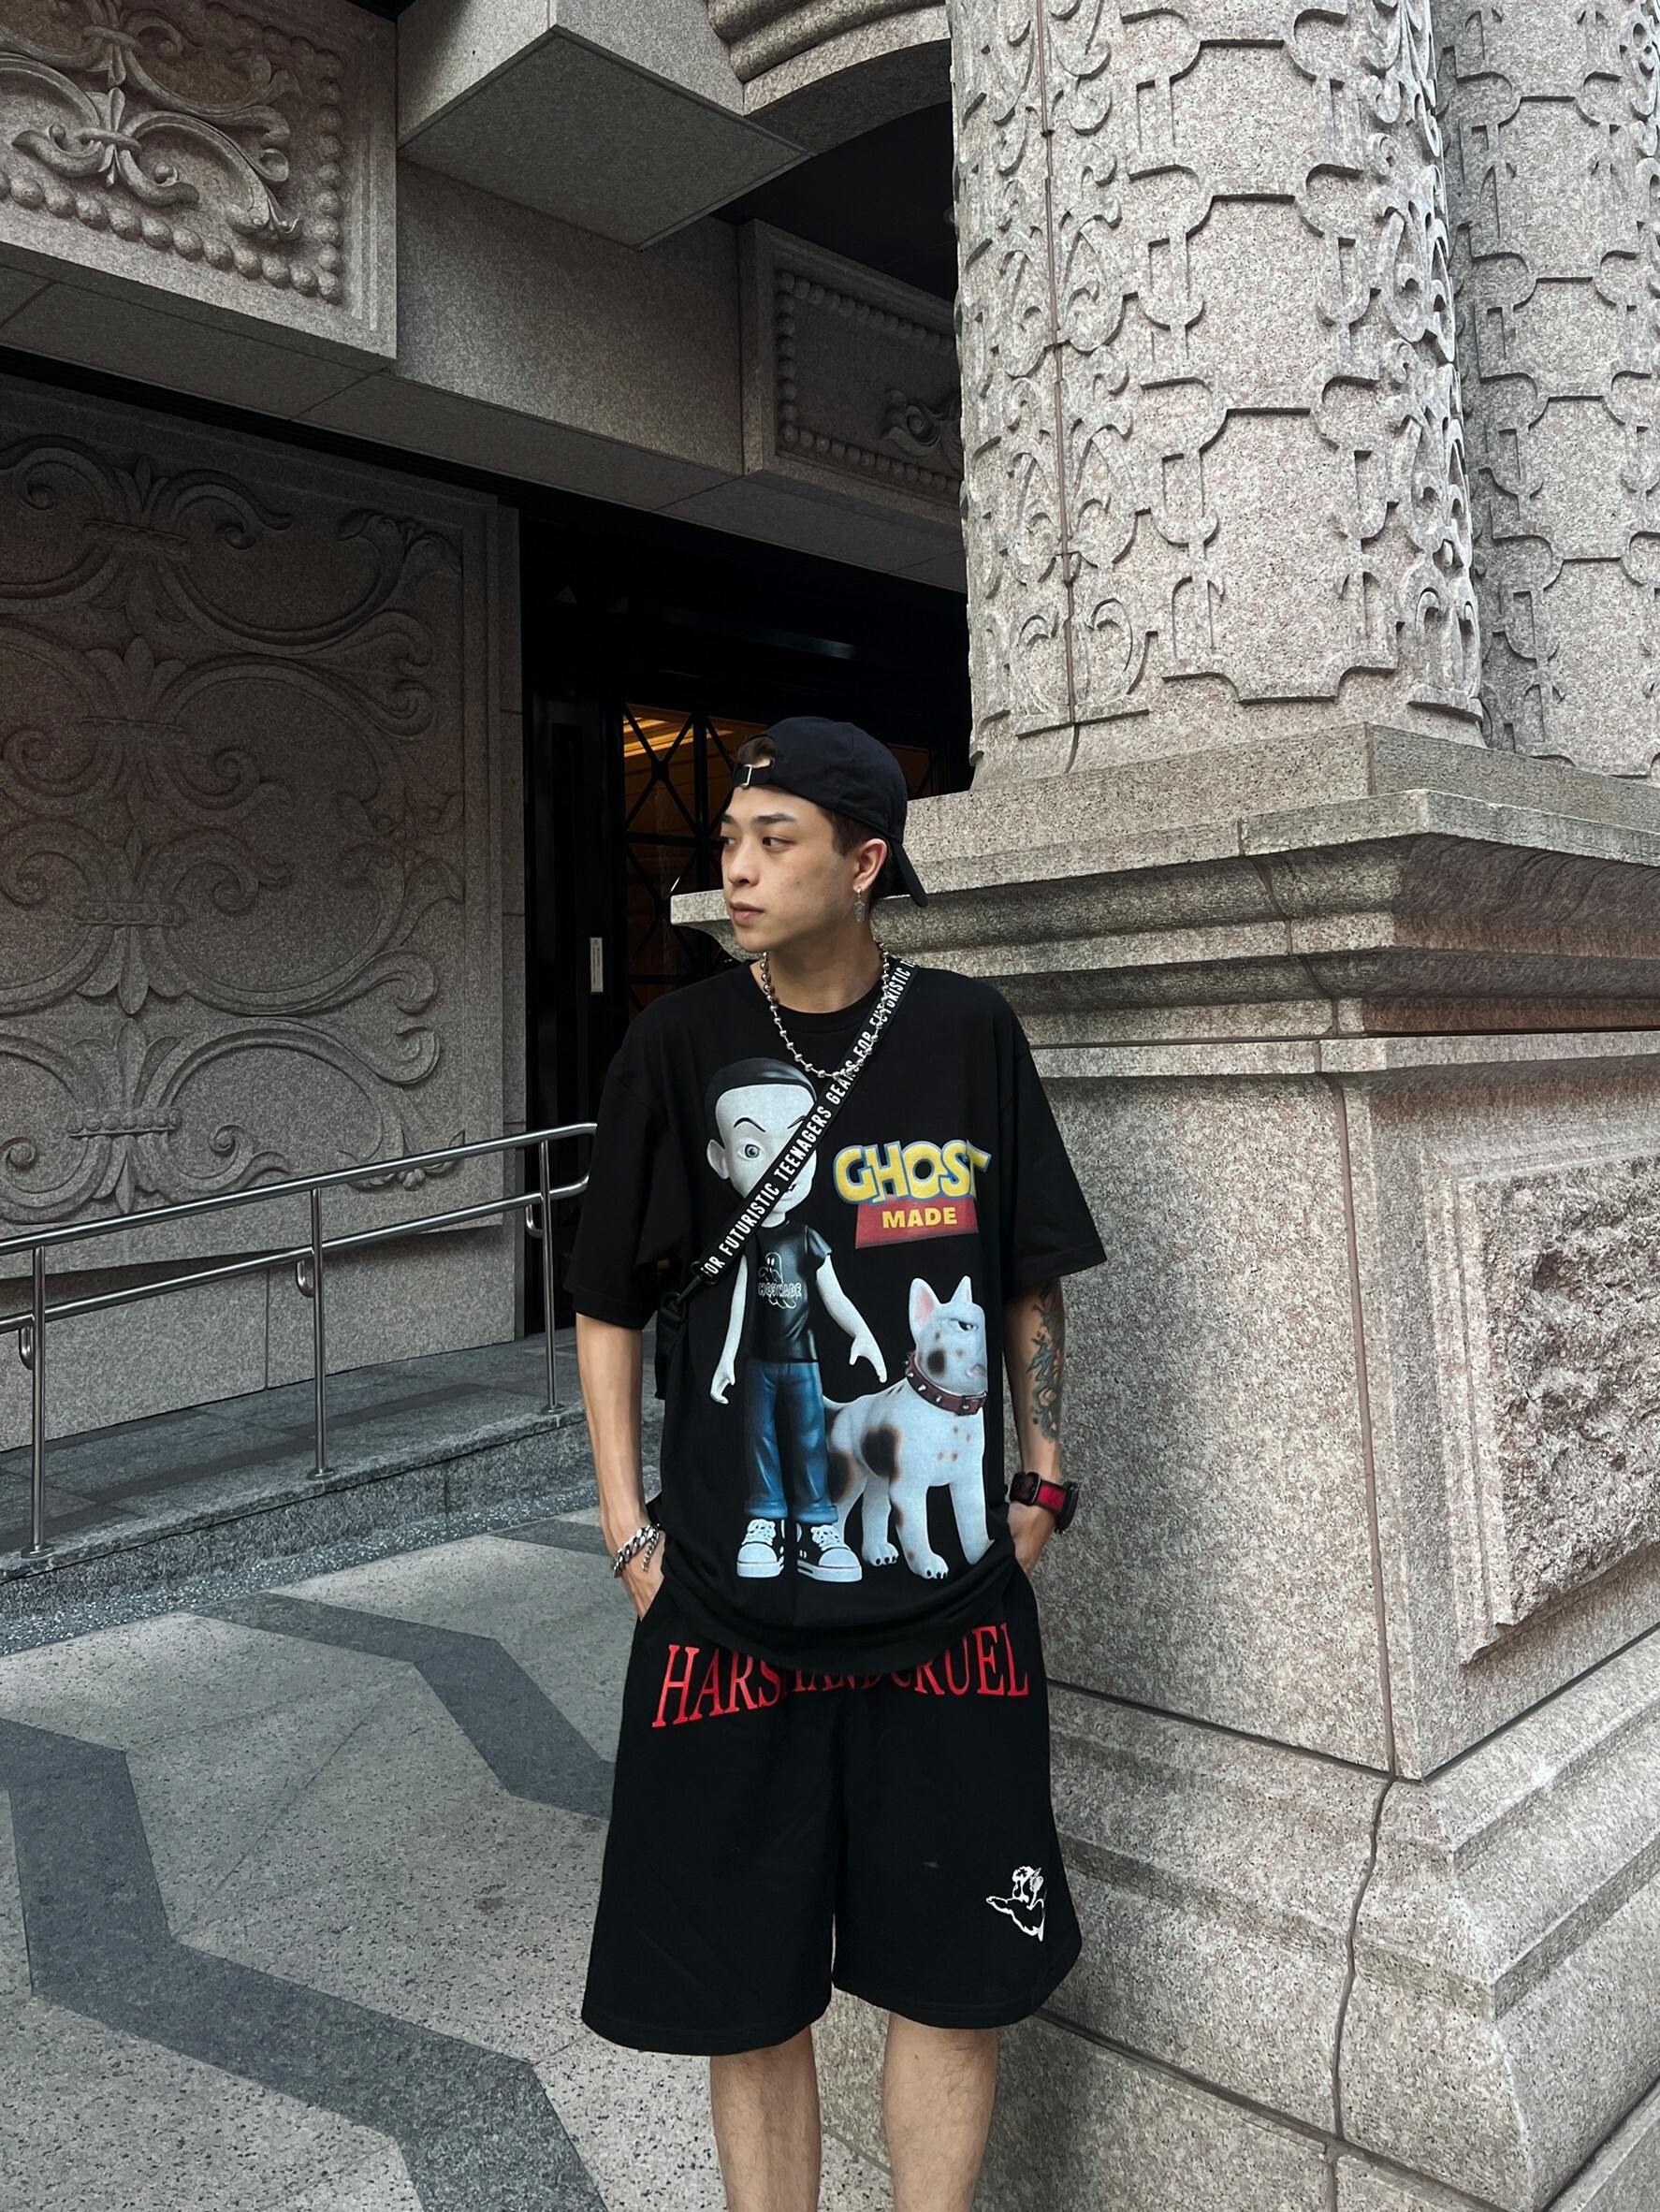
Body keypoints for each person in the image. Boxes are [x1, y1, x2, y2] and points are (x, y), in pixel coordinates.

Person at [569, 717, 1104, 2212]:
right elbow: (608, 1303)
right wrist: (624, 1530)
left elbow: (1025, 1276)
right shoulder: (678, 1045)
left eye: (773, 841)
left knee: (953, 1980)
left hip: (949, 1613)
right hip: (726, 1610)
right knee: (743, 1991)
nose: (734, 871)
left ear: (864, 863)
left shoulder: (966, 1034)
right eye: (727, 843)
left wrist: (1039, 1474)